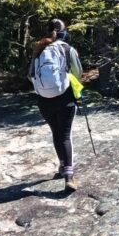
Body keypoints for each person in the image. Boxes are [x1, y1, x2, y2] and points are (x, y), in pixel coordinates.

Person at [29, 19, 83, 192]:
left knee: (56, 132)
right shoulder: (67, 49)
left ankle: (61, 167)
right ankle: (69, 176)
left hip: (44, 100)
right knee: (65, 135)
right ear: (63, 33)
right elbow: (78, 73)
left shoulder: (39, 50)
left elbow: (30, 75)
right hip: (65, 98)